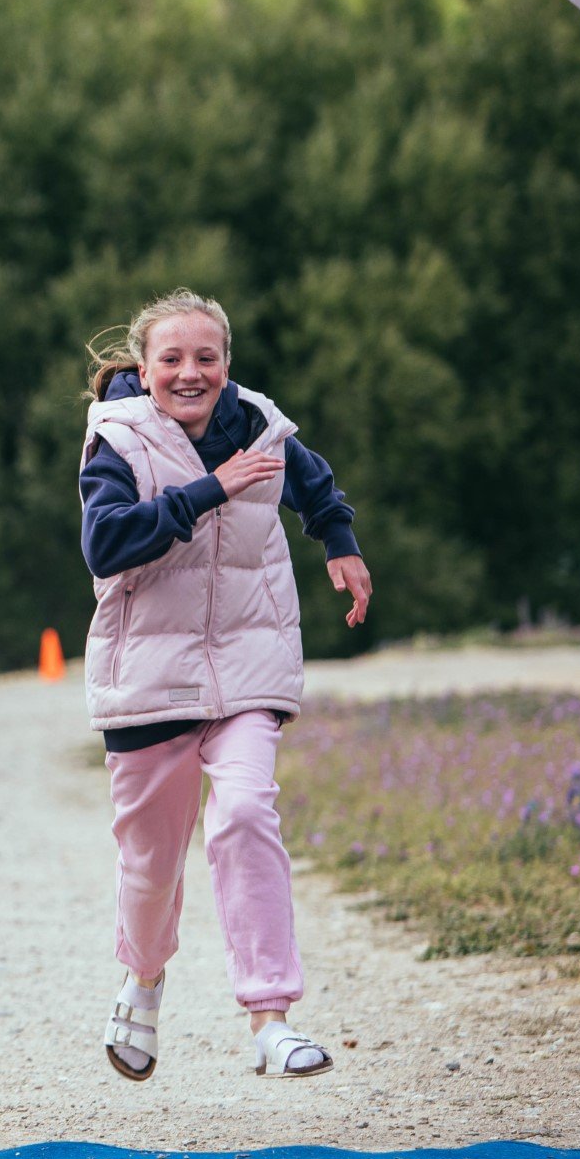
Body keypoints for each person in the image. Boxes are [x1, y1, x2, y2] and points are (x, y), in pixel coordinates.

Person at [79, 288, 370, 1081]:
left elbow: (311, 483)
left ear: (227, 365)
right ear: (144, 369)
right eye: (171, 358)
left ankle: (271, 1017)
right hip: (149, 684)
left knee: (244, 813)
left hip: (247, 667)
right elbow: (105, 545)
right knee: (151, 863)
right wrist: (212, 490)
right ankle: (141, 984)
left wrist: (338, 541)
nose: (189, 372)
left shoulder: (263, 427)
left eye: (206, 357)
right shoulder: (118, 441)